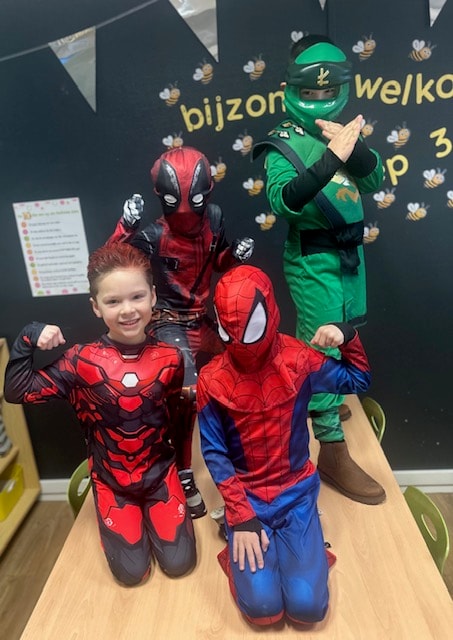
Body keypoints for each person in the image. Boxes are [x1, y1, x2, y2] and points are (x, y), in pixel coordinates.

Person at [4, 243, 196, 586]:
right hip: (112, 483)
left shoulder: (171, 358)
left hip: (160, 476)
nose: (128, 310)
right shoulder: (81, 361)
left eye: (137, 297)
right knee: (133, 574)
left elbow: (175, 419)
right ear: (96, 306)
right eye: (113, 301)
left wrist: (184, 472)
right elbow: (17, 391)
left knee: (180, 564)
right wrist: (28, 337)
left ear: (153, 296)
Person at [197, 265, 373, 626]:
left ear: (268, 310)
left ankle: (302, 554)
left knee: (308, 608)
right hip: (247, 498)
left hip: (296, 492)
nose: (242, 345)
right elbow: (214, 453)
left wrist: (347, 335)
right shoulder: (212, 379)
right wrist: (240, 516)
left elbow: (358, 380)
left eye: (249, 329)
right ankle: (252, 553)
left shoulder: (299, 359)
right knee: (264, 610)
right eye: (230, 332)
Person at [252, 34, 385, 505]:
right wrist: (331, 160)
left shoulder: (341, 130)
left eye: (328, 90)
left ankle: (318, 399)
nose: (320, 98)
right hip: (313, 256)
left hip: (350, 256)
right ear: (291, 88)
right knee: (322, 344)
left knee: (341, 334)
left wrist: (354, 150)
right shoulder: (282, 143)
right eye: (311, 91)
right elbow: (283, 201)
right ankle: (330, 448)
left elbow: (374, 178)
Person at [107, 146, 254, 518]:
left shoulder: (214, 218)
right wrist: (125, 228)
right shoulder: (154, 235)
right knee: (186, 395)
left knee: (243, 366)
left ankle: (247, 452)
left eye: (196, 202)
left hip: (201, 318)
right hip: (169, 321)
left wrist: (234, 256)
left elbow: (216, 261)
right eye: (176, 204)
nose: (187, 214)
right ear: (163, 198)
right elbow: (108, 268)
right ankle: (183, 471)